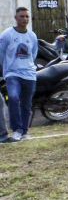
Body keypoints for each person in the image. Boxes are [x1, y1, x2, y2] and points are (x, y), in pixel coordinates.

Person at [0, 7, 37, 142]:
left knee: (26, 104)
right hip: (12, 73)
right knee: (13, 98)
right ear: (16, 18)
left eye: (27, 16)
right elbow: (1, 53)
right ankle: (16, 130)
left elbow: (33, 54)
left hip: (29, 74)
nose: (24, 19)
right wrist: (5, 69)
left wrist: (29, 67)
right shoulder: (7, 34)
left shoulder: (32, 36)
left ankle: (24, 131)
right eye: (21, 16)